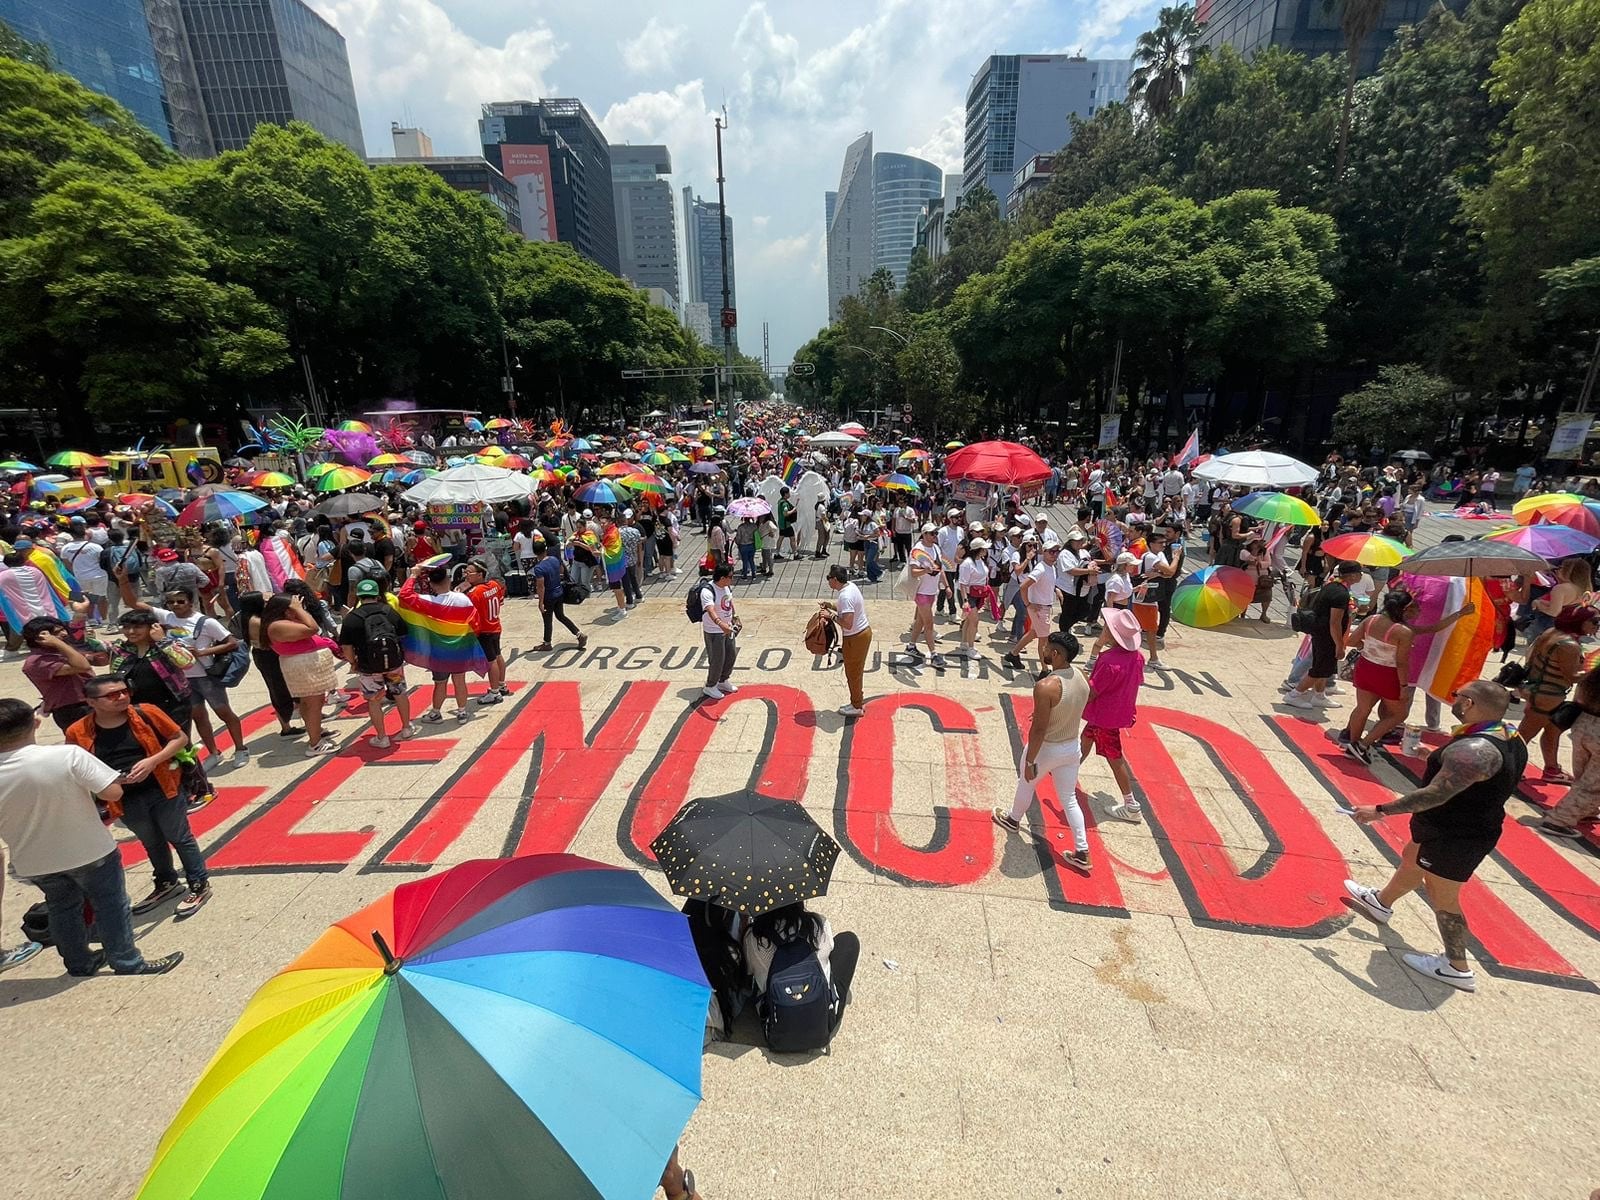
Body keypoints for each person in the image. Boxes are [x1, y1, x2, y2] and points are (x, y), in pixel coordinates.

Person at [1343, 680, 1527, 992]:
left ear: (1468, 703)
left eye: (1457, 695)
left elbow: (1435, 795)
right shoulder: (1510, 735)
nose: (1453, 699)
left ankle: (1456, 967)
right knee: (1411, 857)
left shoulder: (1474, 751)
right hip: (1452, 825)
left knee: (1444, 898)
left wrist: (1380, 810)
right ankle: (1381, 902)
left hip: (1456, 835)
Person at [0, 697, 183, 976]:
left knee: (62, 908)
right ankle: (127, 962)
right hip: (90, 850)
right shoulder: (66, 755)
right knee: (111, 905)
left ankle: (79, 963)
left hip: (33, 860)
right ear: (35, 723)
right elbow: (112, 793)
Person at [66, 675, 211, 919]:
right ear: (91, 702)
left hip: (163, 788)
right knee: (151, 841)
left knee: (179, 837)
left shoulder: (146, 712)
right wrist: (108, 779)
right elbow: (76, 765)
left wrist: (152, 761)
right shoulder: (77, 731)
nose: (122, 697)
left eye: (124, 691)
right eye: (112, 695)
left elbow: (180, 738)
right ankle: (166, 882)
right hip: (123, 797)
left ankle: (199, 883)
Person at [116, 573, 248, 765]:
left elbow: (232, 642)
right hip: (181, 678)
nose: (176, 605)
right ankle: (213, 752)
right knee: (198, 717)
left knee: (224, 713)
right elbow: (133, 602)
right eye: (171, 602)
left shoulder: (206, 622)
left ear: (190, 602)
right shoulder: (166, 616)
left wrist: (203, 652)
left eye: (180, 601)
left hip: (205, 675)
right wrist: (123, 579)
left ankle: (241, 749)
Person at [993, 631, 1091, 870]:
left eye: (1046, 648)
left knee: (1026, 783)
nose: (1043, 651)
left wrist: (1030, 761)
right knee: (1069, 799)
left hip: (1047, 748)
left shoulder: (1045, 686)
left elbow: (1038, 731)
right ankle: (1082, 851)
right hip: (1071, 748)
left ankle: (1013, 819)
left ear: (1056, 654)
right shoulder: (1082, 675)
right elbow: (1076, 701)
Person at [1340, 588, 1474, 763]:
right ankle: (1363, 745)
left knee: (1362, 709)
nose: (1417, 611)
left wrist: (1368, 647)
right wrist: (1404, 687)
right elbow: (1402, 662)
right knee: (1399, 714)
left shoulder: (1371, 620)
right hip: (1387, 674)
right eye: (1413, 607)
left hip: (1366, 667)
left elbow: (1350, 641)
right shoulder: (1404, 632)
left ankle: (1354, 744)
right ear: (1404, 610)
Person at [742, 899, 860, 1047]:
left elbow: (748, 971)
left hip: (774, 1028)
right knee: (849, 941)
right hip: (823, 1025)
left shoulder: (753, 938)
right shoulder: (818, 924)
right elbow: (829, 947)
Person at [1517, 603, 1600, 781]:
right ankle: (1508, 770)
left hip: (1538, 690)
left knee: (1552, 732)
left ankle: (1551, 769)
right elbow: (1572, 677)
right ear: (1579, 621)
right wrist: (1593, 671)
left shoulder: (1551, 633)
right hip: (1548, 695)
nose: (1597, 626)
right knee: (1523, 736)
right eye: (1594, 621)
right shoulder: (1569, 645)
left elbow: (1530, 657)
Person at [1083, 609, 1150, 824]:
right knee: (1085, 739)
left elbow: (1092, 691)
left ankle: (1131, 805)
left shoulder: (1108, 660)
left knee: (1115, 757)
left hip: (1104, 716)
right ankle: (1067, 769)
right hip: (1118, 712)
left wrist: (1095, 649)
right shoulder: (1138, 657)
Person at [337, 579, 420, 748]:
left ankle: (382, 737)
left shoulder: (352, 618)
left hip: (368, 667)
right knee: (400, 693)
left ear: (359, 595)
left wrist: (353, 662)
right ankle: (406, 728)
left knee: (374, 700)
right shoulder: (388, 611)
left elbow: (346, 646)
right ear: (377, 594)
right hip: (393, 663)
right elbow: (403, 633)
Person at [399, 564, 487, 723]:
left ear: (431, 584)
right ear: (448, 580)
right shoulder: (463, 599)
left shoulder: (427, 601)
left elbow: (404, 595)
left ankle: (436, 713)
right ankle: (461, 713)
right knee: (460, 681)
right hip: (459, 649)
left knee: (440, 684)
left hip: (438, 652)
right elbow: (475, 623)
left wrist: (413, 575)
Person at [263, 592, 341, 755]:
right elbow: (313, 628)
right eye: (292, 608)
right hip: (303, 665)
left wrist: (297, 610)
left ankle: (316, 731)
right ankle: (315, 743)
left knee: (312, 702)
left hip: (306, 664)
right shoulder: (277, 625)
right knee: (312, 703)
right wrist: (298, 609)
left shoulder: (284, 622)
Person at [1284, 562, 1362, 712]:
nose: (1361, 576)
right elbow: (1335, 622)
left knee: (1323, 667)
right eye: (1359, 573)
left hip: (1319, 632)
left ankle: (1319, 695)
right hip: (1327, 636)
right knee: (1320, 668)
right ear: (1352, 575)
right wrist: (1339, 645)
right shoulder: (1341, 594)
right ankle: (1295, 695)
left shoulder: (1330, 586)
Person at [1538, 662, 1600, 838]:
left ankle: (1586, 810)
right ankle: (1559, 820)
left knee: (1584, 774)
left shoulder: (1593, 676)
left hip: (1584, 724)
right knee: (1594, 785)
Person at [234, 591, 300, 739]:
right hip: (269, 656)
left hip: (262, 655)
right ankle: (286, 727)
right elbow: (273, 636)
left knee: (277, 690)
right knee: (279, 690)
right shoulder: (257, 622)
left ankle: (287, 725)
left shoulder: (245, 618)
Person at [21, 614, 103, 731]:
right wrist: (58, 643)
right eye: (57, 633)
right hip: (73, 709)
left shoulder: (60, 650)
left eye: (63, 629)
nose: (64, 634)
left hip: (92, 700)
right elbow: (83, 666)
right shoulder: (36, 662)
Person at [1005, 543, 1062, 673]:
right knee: (1044, 640)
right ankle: (1044, 669)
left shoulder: (1050, 567)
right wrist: (1028, 604)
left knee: (1033, 633)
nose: (1054, 555)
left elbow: (1046, 583)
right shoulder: (1041, 568)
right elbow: (1023, 586)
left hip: (1043, 606)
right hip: (1039, 608)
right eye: (1051, 552)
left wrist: (1056, 590)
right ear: (1044, 552)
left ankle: (1013, 654)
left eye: (1056, 552)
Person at [460, 561, 509, 705]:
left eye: (469, 572)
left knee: (490, 661)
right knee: (498, 655)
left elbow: (469, 613)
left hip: (484, 630)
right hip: (495, 626)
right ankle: (501, 684)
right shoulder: (494, 585)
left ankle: (494, 693)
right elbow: (500, 600)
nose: (466, 575)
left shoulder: (475, 593)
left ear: (480, 574)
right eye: (466, 572)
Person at [826, 564, 870, 716]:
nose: (827, 581)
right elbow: (844, 608)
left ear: (836, 580)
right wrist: (831, 606)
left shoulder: (845, 596)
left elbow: (847, 623)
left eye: (829, 578)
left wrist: (831, 616)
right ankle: (857, 701)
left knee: (853, 673)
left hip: (855, 637)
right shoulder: (850, 586)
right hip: (862, 633)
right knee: (855, 671)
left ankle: (856, 706)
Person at [532, 540, 587, 652]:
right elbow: (562, 571)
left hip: (549, 596)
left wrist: (540, 602)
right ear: (545, 549)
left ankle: (547, 643)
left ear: (535, 553)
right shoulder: (554, 559)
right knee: (560, 616)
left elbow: (541, 587)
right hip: (559, 592)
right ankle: (579, 634)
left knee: (548, 621)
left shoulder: (539, 568)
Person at [906, 523, 947, 667]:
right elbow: (913, 572)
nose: (934, 536)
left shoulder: (935, 548)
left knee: (921, 621)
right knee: (929, 623)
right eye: (932, 533)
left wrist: (946, 586)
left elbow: (940, 569)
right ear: (924, 534)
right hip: (922, 592)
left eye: (936, 533)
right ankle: (934, 654)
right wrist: (925, 570)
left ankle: (911, 645)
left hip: (931, 591)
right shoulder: (917, 550)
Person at [698, 561, 739, 700]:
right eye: (730, 576)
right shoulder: (708, 591)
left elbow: (729, 602)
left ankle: (723, 680)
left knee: (731, 655)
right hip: (714, 631)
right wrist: (721, 624)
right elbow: (710, 610)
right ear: (722, 578)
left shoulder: (726, 587)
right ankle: (710, 686)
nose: (732, 579)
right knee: (717, 659)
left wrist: (735, 617)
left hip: (728, 628)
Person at [956, 539, 993, 658]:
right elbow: (962, 584)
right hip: (969, 596)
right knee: (974, 621)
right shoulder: (967, 563)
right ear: (979, 550)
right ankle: (971, 648)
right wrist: (965, 601)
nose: (986, 550)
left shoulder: (980, 560)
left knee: (968, 620)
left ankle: (964, 642)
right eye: (984, 548)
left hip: (978, 594)